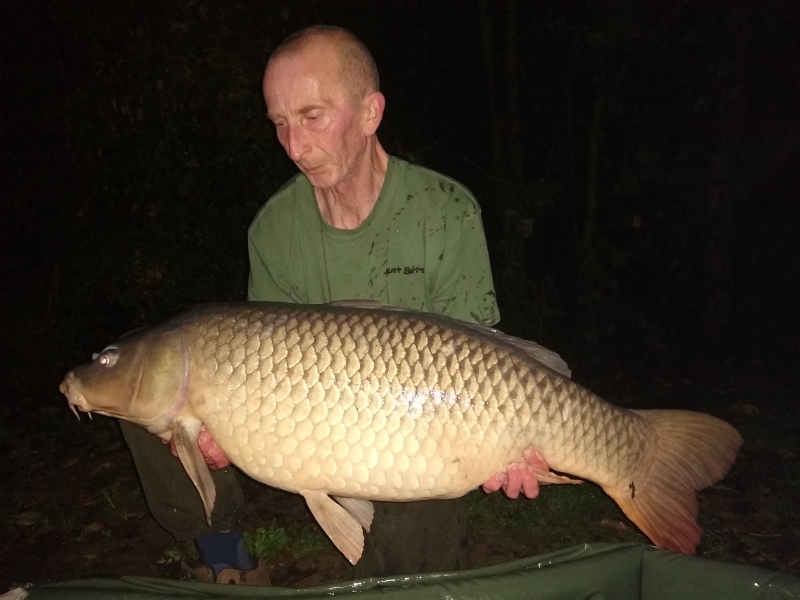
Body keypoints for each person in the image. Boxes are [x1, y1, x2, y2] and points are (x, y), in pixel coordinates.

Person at [120, 24, 546, 585]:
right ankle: (221, 551)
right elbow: (258, 365)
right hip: (313, 428)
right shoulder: (274, 229)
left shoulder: (445, 210)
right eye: (279, 123)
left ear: (370, 114)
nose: (294, 146)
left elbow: (479, 364)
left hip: (419, 433)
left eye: (312, 116)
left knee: (418, 540)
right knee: (143, 383)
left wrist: (505, 446)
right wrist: (215, 428)